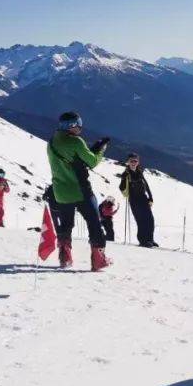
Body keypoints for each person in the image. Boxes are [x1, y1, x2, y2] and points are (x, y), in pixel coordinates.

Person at [47, 111, 112, 271]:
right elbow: (92, 161)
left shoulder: (52, 141)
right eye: (78, 123)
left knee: (66, 224)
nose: (81, 127)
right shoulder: (76, 142)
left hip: (60, 192)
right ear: (72, 126)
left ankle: (65, 256)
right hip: (81, 190)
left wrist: (89, 150)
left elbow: (72, 159)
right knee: (94, 222)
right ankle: (98, 259)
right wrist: (101, 149)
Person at [119, 153, 157, 247]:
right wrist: (125, 179)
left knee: (150, 220)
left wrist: (150, 198)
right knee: (141, 220)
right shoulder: (126, 174)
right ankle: (143, 241)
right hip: (134, 200)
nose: (133, 163)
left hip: (143, 199)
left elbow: (146, 186)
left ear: (138, 162)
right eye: (131, 161)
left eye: (135, 161)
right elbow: (122, 187)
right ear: (128, 162)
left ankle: (150, 239)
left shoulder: (139, 172)